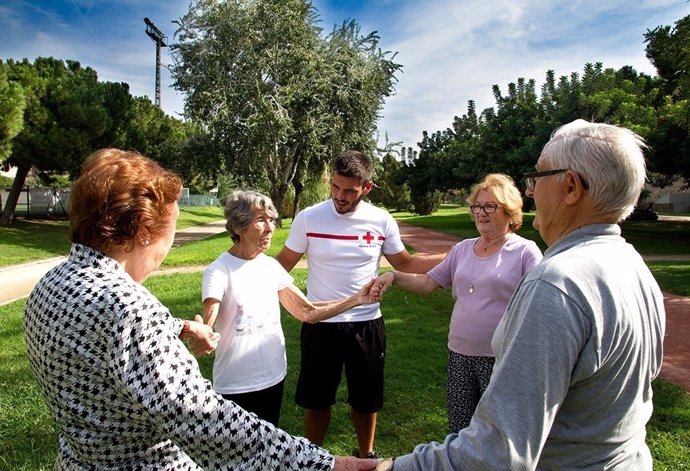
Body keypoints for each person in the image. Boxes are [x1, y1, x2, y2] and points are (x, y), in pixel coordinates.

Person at [23, 148, 378, 471]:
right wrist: (324, 464)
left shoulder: (51, 285)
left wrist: (174, 325)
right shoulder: (129, 308)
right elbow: (202, 420)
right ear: (145, 231)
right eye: (171, 235)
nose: (166, 252)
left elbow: (100, 342)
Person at [378, 120, 666, 470]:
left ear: (571, 186)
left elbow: (500, 452)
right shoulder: (631, 264)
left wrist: (393, 467)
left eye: (538, 178)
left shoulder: (556, 283)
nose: (531, 192)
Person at [275, 150, 445, 458]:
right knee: (316, 401)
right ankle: (314, 458)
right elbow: (281, 265)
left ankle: (365, 456)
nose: (340, 196)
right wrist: (243, 272)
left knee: (366, 401)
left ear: (366, 187)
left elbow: (405, 263)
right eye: (335, 187)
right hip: (321, 323)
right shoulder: (309, 217)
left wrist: (455, 257)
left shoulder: (380, 220)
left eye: (349, 190)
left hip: (366, 324)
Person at [374, 173, 542, 432]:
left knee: (498, 431)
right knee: (461, 428)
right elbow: (428, 283)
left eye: (489, 206)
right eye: (477, 206)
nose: (480, 213)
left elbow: (537, 305)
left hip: (500, 359)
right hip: (460, 354)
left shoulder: (525, 252)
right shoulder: (463, 249)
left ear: (510, 212)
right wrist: (394, 276)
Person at [201, 190, 378, 427]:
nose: (270, 228)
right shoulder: (219, 271)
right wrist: (203, 334)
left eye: (271, 220)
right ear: (238, 227)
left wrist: (357, 299)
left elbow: (306, 311)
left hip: (274, 377)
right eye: (260, 220)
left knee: (267, 448)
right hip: (236, 385)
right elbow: (207, 322)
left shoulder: (270, 267)